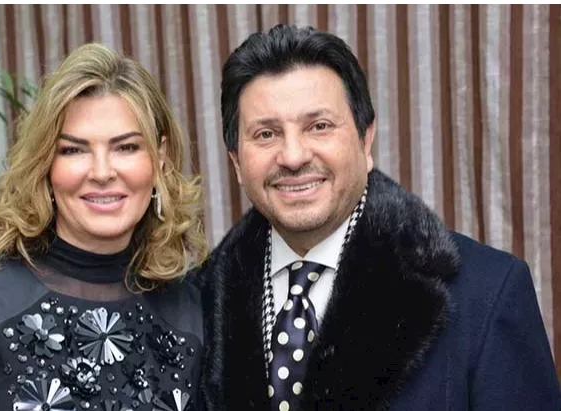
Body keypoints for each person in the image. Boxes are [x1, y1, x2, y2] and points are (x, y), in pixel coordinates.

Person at [198, 24, 561, 411]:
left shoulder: (487, 292)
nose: (293, 156)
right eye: (266, 134)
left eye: (319, 127)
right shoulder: (198, 303)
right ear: (237, 163)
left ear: (365, 139)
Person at [0, 43, 207, 411]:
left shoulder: (195, 314)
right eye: (73, 150)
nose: (102, 172)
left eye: (126, 147)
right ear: (45, 164)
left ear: (160, 158)